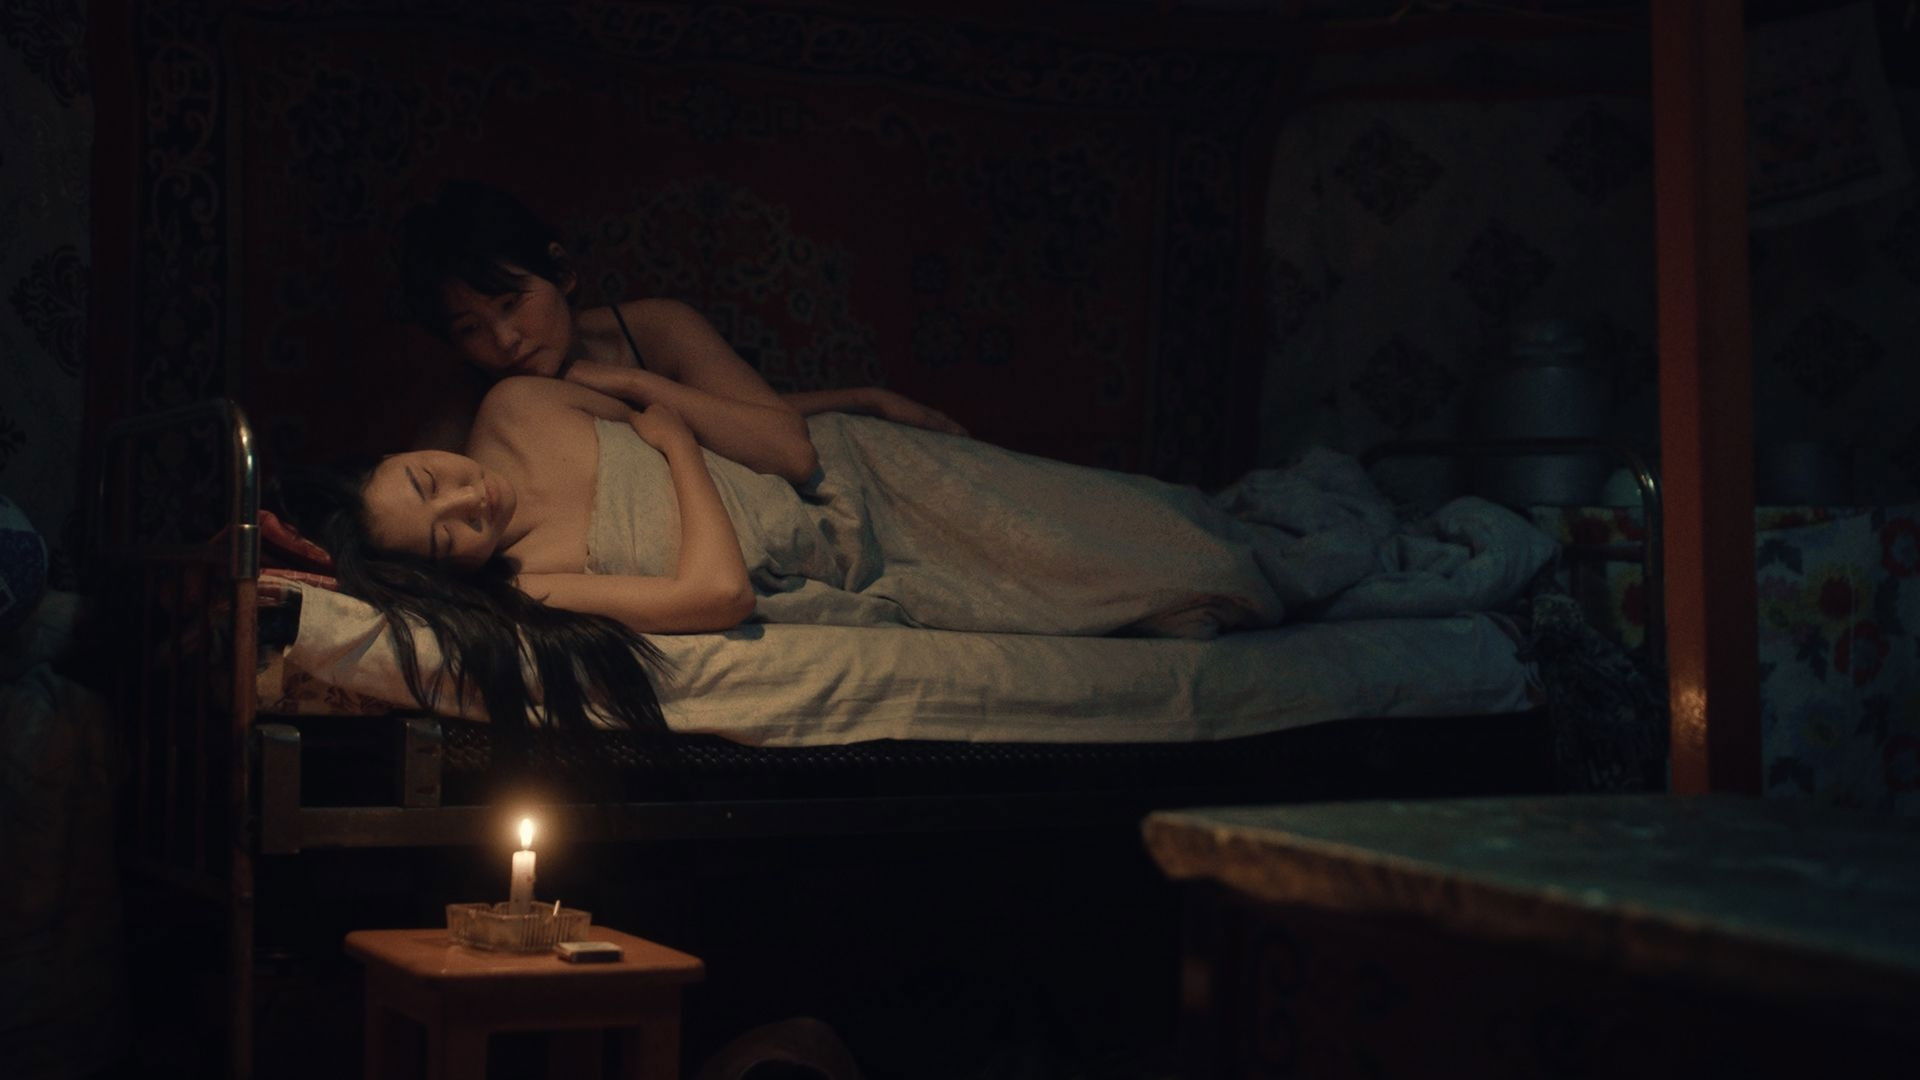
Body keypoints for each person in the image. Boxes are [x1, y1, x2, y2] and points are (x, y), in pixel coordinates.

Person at [397, 180, 965, 480]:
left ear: (562, 272)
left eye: (511, 303)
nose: (504, 340)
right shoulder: (469, 408)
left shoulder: (654, 328)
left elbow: (780, 440)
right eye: (470, 328)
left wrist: (865, 398)